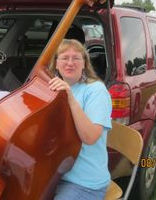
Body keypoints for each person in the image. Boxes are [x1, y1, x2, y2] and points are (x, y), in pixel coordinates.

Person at [48, 39, 112, 200]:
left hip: (84, 182)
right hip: (54, 174)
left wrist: (70, 98)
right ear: (56, 63)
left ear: (84, 63)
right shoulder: (52, 88)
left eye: (76, 58)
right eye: (64, 57)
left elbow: (90, 137)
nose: (70, 63)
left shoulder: (96, 91)